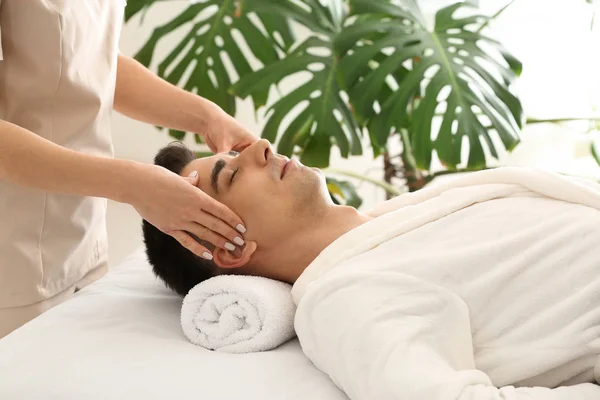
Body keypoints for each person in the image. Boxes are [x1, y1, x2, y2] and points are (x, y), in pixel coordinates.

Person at [144, 140, 600, 400]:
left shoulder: (406, 217)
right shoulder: (345, 297)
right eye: (233, 175)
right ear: (230, 249)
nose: (262, 146)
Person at [0, 0, 256, 338]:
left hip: (82, 236)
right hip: (13, 253)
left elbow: (89, 60)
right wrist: (132, 185)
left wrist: (206, 117)